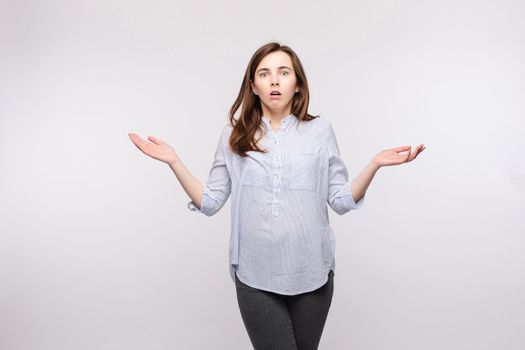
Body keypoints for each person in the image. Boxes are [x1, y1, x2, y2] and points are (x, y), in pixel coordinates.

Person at [128, 42, 425, 350]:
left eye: (284, 73)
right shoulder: (233, 134)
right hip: (255, 276)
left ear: (297, 84)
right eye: (264, 73)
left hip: (312, 276)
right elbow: (210, 201)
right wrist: (174, 161)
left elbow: (339, 200)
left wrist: (375, 163)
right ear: (253, 86)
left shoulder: (321, 131)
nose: (274, 81)